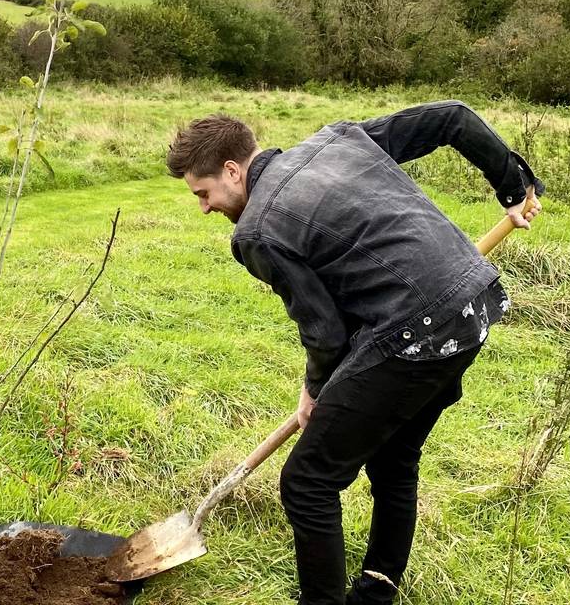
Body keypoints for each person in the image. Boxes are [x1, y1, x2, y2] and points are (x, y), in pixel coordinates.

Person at [166, 101, 543, 605]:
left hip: (418, 330)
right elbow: (451, 118)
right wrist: (513, 187)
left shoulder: (257, 230)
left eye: (204, 192)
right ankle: (377, 590)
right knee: (393, 457)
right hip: (474, 304)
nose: (205, 207)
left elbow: (324, 334)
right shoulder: (339, 139)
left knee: (307, 482)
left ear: (233, 171)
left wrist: (316, 390)